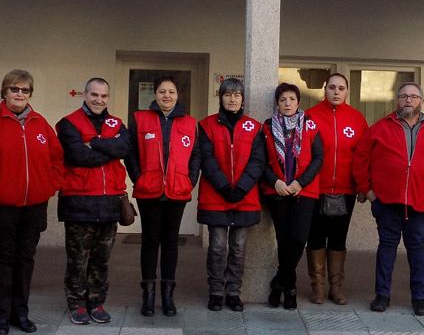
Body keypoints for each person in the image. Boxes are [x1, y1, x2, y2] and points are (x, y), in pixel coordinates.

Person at [0, 70, 64, 335]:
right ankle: (1, 316)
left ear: (30, 94)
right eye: (14, 89)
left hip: (34, 206)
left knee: (26, 259)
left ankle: (21, 313)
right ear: (5, 92)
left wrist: (48, 187)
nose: (20, 94)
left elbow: (57, 161)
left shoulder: (41, 124)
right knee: (4, 258)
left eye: (25, 90)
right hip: (3, 207)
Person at [352, 82, 424, 316]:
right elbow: (360, 160)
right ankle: (382, 295)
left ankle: (418, 298)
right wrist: (368, 191)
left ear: (421, 101)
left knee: (417, 250)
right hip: (387, 202)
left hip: (420, 203)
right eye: (403, 96)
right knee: (386, 249)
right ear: (397, 100)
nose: (408, 100)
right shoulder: (380, 128)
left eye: (413, 96)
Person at [56, 77, 133, 325]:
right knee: (78, 260)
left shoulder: (117, 123)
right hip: (79, 203)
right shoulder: (68, 124)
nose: (99, 100)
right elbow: (79, 156)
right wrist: (110, 150)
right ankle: (76, 304)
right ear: (85, 95)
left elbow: (125, 148)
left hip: (110, 202)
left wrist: (96, 143)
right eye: (94, 95)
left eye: (103, 96)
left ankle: (97, 302)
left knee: (101, 259)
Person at [125, 76, 201, 317]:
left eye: (171, 91)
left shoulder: (190, 123)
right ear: (154, 94)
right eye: (161, 91)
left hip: (177, 190)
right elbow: (131, 154)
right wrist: (139, 177)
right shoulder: (140, 119)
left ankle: (168, 296)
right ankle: (148, 296)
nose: (166, 95)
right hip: (149, 190)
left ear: (178, 95)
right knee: (149, 241)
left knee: (170, 242)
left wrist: (189, 180)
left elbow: (196, 156)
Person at [197, 77, 267, 312]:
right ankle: (216, 290)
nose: (232, 99)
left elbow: (258, 161)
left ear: (243, 100)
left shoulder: (254, 127)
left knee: (238, 248)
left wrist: (242, 187)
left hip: (244, 198)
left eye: (237, 95)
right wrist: (225, 187)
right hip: (216, 196)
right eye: (228, 94)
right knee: (217, 247)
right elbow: (206, 160)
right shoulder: (206, 125)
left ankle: (233, 291)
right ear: (221, 97)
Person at [305, 73, 368, 305]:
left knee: (338, 238)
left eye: (341, 88)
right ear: (325, 90)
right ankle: (318, 287)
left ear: (347, 91)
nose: (336, 92)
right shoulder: (310, 116)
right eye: (332, 87)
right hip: (315, 190)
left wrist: (363, 186)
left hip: (346, 191)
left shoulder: (356, 118)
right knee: (316, 237)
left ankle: (336, 288)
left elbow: (363, 157)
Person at [260, 82, 325, 309]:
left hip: (303, 191)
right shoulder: (267, 127)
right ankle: (290, 288)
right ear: (277, 103)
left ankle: (280, 281)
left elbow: (318, 158)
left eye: (292, 99)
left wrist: (300, 182)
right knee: (283, 239)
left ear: (298, 102)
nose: (287, 103)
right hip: (277, 192)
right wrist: (276, 181)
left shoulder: (309, 125)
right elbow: (261, 162)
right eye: (282, 100)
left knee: (298, 239)